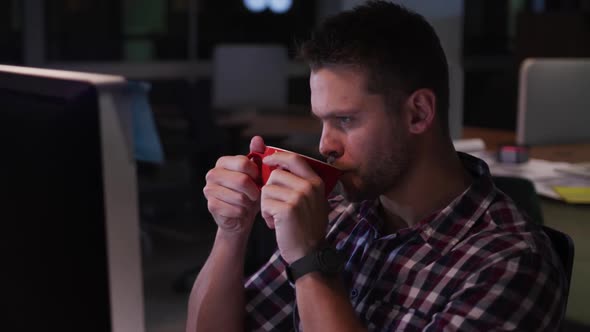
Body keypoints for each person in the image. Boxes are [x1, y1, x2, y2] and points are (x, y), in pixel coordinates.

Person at [186, 1, 567, 331]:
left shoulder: (509, 264)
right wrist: (233, 230)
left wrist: (310, 262)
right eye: (322, 121)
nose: (324, 145)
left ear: (418, 113)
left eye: (345, 121)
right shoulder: (340, 217)